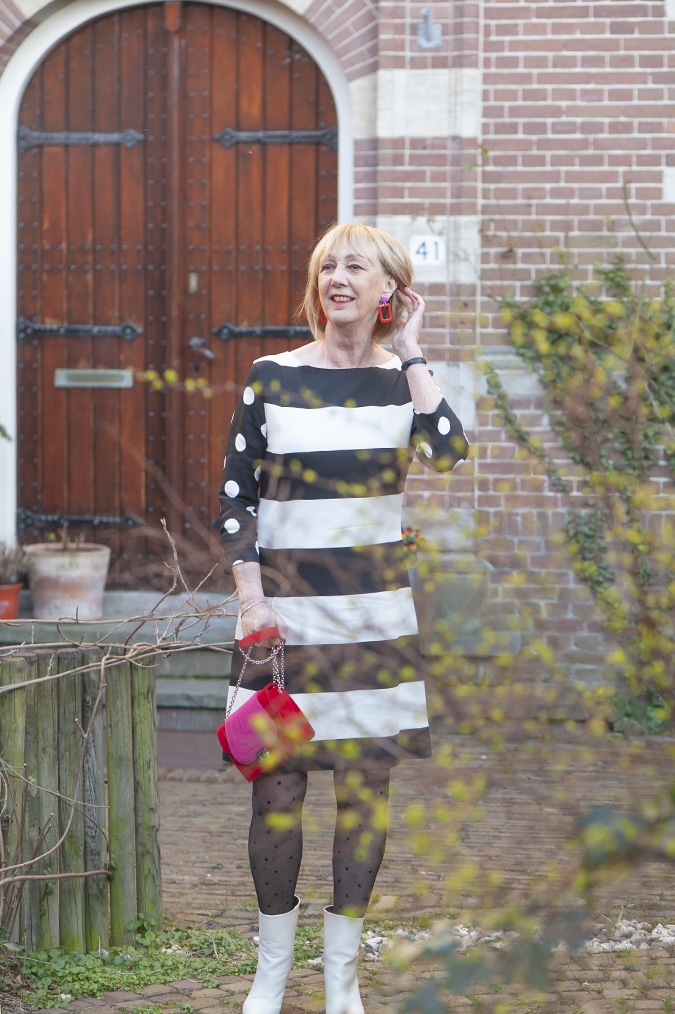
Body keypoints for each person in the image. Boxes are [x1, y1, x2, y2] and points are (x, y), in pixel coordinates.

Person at [218, 222, 468, 1014]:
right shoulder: (270, 376)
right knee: (275, 790)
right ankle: (270, 972)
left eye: (355, 266)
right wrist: (250, 599)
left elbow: (448, 452)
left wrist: (416, 350)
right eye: (327, 264)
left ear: (388, 290)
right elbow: (235, 503)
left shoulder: (403, 381)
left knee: (364, 792)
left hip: (373, 625)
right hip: (281, 628)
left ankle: (341, 978)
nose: (337, 276)